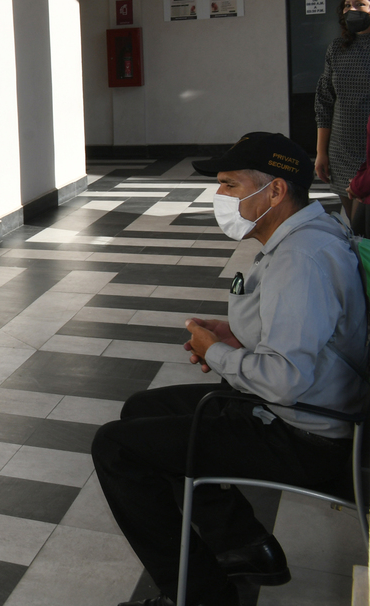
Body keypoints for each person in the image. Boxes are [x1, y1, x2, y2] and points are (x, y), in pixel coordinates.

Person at [92, 132, 367, 606]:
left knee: (116, 449)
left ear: (275, 191)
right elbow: (308, 336)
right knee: (141, 409)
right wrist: (236, 336)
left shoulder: (300, 258)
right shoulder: (305, 236)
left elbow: (284, 380)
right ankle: (245, 544)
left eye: (230, 185)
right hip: (300, 407)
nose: (219, 196)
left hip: (304, 434)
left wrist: (218, 354)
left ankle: (202, 597)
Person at [315, 0, 370, 231]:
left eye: (360, 5)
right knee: (357, 232)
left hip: (368, 153)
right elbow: (324, 100)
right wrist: (321, 152)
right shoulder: (338, 48)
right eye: (347, 5)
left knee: (364, 226)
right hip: (342, 152)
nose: (352, 10)